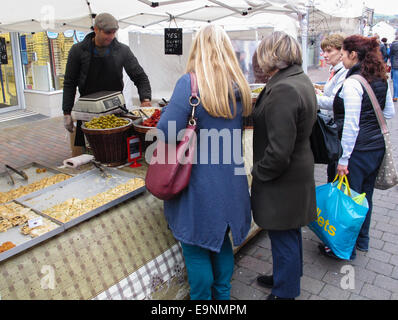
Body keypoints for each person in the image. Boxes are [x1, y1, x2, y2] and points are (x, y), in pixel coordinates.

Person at [156, 25, 252, 300]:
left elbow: (166, 131)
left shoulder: (190, 83)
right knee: (221, 241)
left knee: (195, 247)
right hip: (231, 180)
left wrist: (169, 110)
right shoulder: (239, 85)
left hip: (199, 183)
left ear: (198, 48)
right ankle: (222, 295)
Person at [250, 31, 317, 300]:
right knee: (289, 231)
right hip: (296, 172)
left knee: (283, 234)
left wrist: (258, 173)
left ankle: (285, 292)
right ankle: (286, 276)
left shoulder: (284, 89)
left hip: (283, 178)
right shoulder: (297, 78)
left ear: (272, 54)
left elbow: (278, 152)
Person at [319, 35, 395, 261]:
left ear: (354, 54)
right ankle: (363, 240)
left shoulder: (354, 82)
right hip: (376, 148)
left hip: (357, 151)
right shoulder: (380, 76)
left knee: (348, 199)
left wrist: (344, 160)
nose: (342, 58)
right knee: (365, 196)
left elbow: (351, 124)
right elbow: (389, 112)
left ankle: (344, 247)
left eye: (343, 53)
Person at [62, 12, 152, 147]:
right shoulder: (78, 51)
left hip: (117, 111)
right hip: (88, 112)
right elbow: (69, 83)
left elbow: (140, 77)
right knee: (90, 151)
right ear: (96, 29)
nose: (111, 37)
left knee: (118, 149)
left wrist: (145, 99)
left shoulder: (122, 50)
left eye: (114, 33)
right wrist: (67, 112)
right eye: (107, 33)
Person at [316, 34, 348, 113]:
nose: (325, 55)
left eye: (329, 51)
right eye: (324, 51)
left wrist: (311, 98)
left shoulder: (344, 72)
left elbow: (333, 102)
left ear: (341, 51)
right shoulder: (335, 70)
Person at [390, 34, 398, 102]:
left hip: (396, 64)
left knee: (396, 81)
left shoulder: (393, 45)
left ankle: (395, 96)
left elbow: (390, 54)